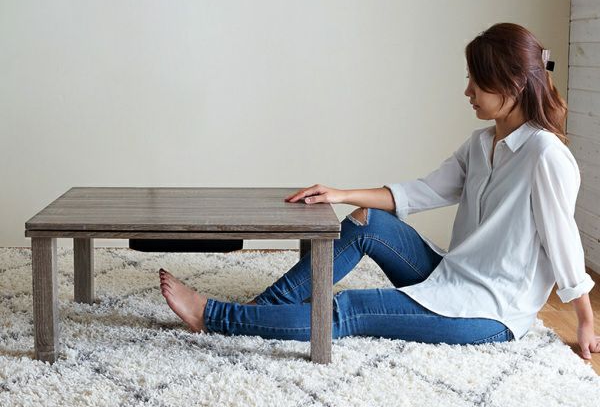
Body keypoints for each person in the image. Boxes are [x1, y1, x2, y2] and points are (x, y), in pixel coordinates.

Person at [159, 22, 599, 358]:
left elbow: (563, 242)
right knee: (367, 223)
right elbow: (424, 191)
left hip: (489, 311)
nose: (467, 91)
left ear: (513, 83)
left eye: (476, 81)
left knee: (348, 309)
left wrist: (584, 319)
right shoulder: (482, 143)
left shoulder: (545, 155)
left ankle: (214, 317)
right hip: (451, 277)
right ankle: (263, 309)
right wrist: (341, 194)